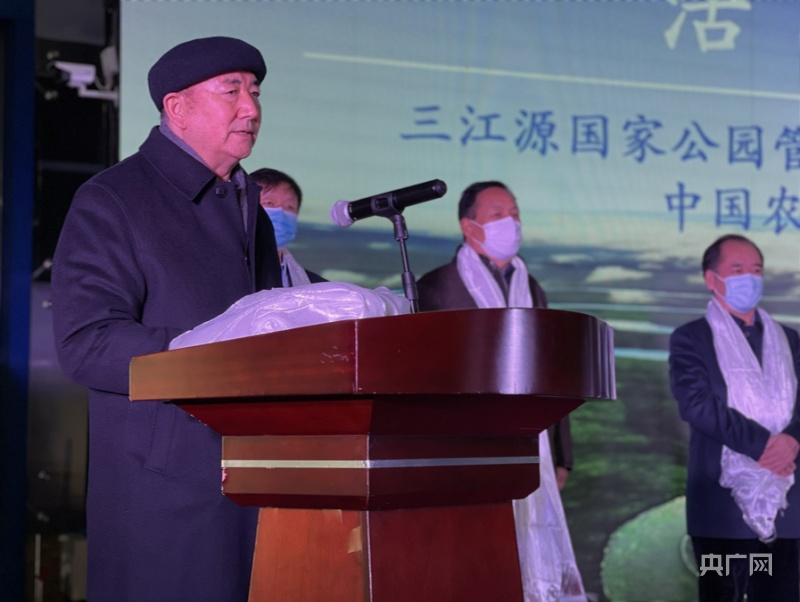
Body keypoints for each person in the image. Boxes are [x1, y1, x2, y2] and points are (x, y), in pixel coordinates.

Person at [50, 37, 282, 602]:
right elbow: (87, 342)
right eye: (231, 91)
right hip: (167, 486)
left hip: (255, 473)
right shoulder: (114, 198)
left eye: (255, 92)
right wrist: (218, 352)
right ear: (177, 108)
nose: (251, 108)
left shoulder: (249, 207)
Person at [416, 180, 584, 602]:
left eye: (515, 213)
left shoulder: (532, 286)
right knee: (475, 555)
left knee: (531, 546)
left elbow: (549, 374)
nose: (511, 222)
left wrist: (561, 455)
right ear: (469, 226)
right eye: (497, 215)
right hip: (463, 449)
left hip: (532, 445)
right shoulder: (437, 286)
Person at [669, 234, 800, 602]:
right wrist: (764, 445)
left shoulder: (790, 340)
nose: (750, 279)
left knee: (780, 594)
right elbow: (697, 405)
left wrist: (792, 440)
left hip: (787, 502)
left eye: (756, 270)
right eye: (738, 270)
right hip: (720, 505)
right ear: (712, 279)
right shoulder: (691, 338)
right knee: (721, 593)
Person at [250, 167, 326, 286]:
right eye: (269, 203)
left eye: (289, 207)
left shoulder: (318, 289)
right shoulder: (222, 273)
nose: (280, 212)